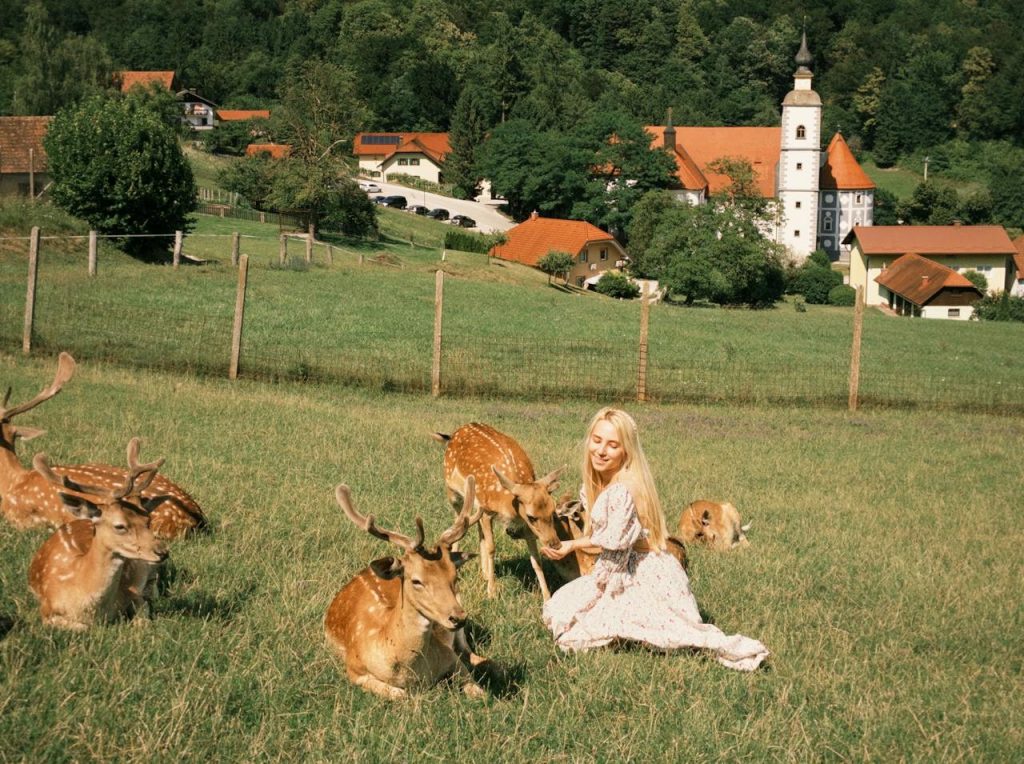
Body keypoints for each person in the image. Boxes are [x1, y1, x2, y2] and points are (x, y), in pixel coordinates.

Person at [540, 408, 768, 671]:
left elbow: (613, 541)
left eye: (612, 445)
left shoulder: (623, 488)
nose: (601, 451)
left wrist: (571, 545)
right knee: (561, 607)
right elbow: (604, 536)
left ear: (626, 450)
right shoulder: (598, 481)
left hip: (643, 570)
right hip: (621, 562)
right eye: (597, 440)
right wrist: (572, 545)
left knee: (582, 630)